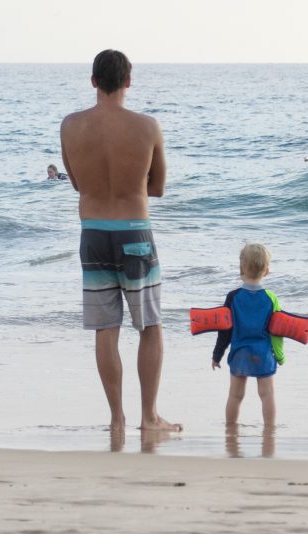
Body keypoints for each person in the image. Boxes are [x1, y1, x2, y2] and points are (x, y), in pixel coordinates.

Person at [59, 48, 181, 438]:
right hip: (134, 232)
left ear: (93, 81)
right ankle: (149, 417)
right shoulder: (148, 127)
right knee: (150, 325)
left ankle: (116, 420)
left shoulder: (70, 126)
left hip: (93, 233)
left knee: (105, 328)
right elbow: (158, 187)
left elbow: (77, 182)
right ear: (128, 81)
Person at [212, 243, 284, 427]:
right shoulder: (271, 298)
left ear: (241, 268)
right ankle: (269, 429)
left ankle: (230, 429)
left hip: (239, 353)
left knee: (235, 395)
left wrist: (217, 355)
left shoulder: (233, 297)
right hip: (264, 354)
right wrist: (280, 356)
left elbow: (225, 330)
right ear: (266, 271)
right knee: (267, 395)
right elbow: (277, 332)